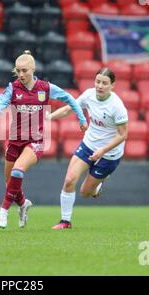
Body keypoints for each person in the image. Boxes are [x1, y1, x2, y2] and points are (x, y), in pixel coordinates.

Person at [0, 50, 88, 229]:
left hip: (36, 142)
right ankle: (23, 204)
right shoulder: (13, 88)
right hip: (15, 141)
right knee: (10, 183)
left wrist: (82, 119)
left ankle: (3, 211)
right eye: (18, 71)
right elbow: (1, 103)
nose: (21, 74)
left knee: (17, 171)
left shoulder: (45, 88)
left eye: (24, 70)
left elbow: (70, 99)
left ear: (33, 69)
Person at [46, 68, 128, 230]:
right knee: (69, 180)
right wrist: (48, 117)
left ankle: (97, 186)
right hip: (89, 145)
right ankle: (65, 222)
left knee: (85, 192)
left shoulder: (117, 106)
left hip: (110, 154)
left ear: (112, 85)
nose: (100, 86)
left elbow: (123, 135)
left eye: (105, 83)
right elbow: (69, 108)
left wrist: (103, 151)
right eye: (98, 81)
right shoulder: (89, 95)